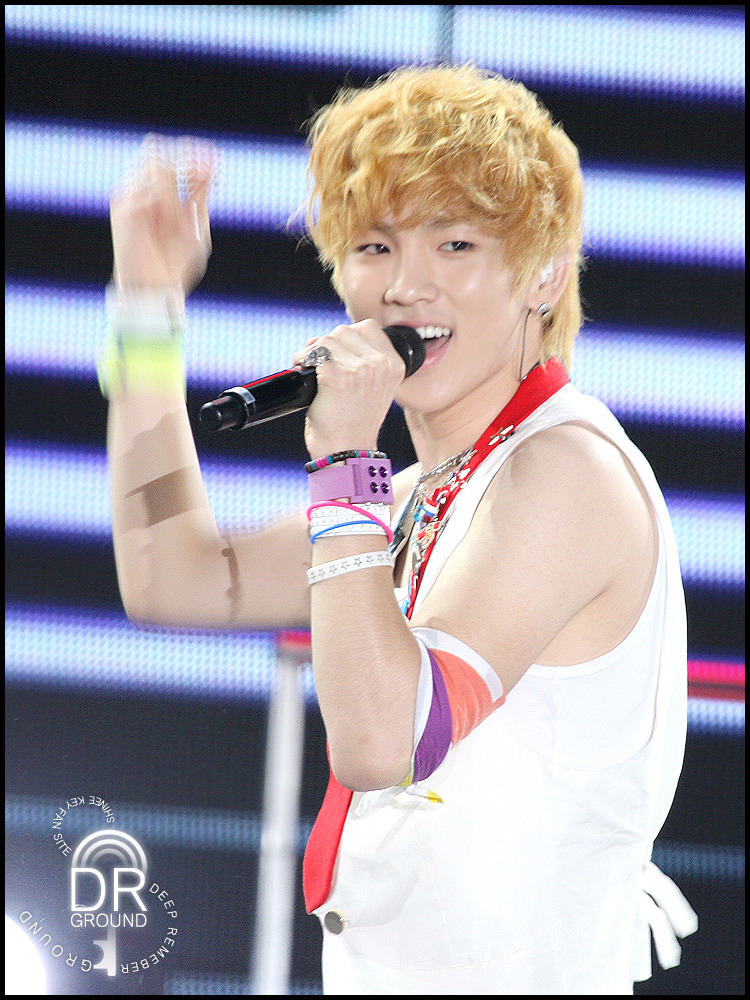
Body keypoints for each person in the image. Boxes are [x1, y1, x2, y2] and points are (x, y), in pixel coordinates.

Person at [101, 64, 697, 994]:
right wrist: (147, 310)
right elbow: (174, 576)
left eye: (455, 244)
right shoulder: (423, 491)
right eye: (376, 246)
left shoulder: (564, 471)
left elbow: (387, 742)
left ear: (544, 273)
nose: (407, 286)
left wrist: (344, 458)